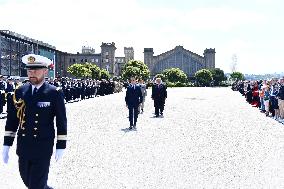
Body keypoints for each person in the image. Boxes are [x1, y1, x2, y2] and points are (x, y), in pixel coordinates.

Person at [2, 54, 67, 189]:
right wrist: (6, 145)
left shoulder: (54, 92)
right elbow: (12, 120)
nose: (32, 74)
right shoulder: (19, 91)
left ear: (45, 71)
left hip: (43, 146)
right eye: (29, 70)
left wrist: (61, 145)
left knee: (36, 185)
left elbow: (61, 121)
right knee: (28, 181)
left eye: (36, 70)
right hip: (24, 146)